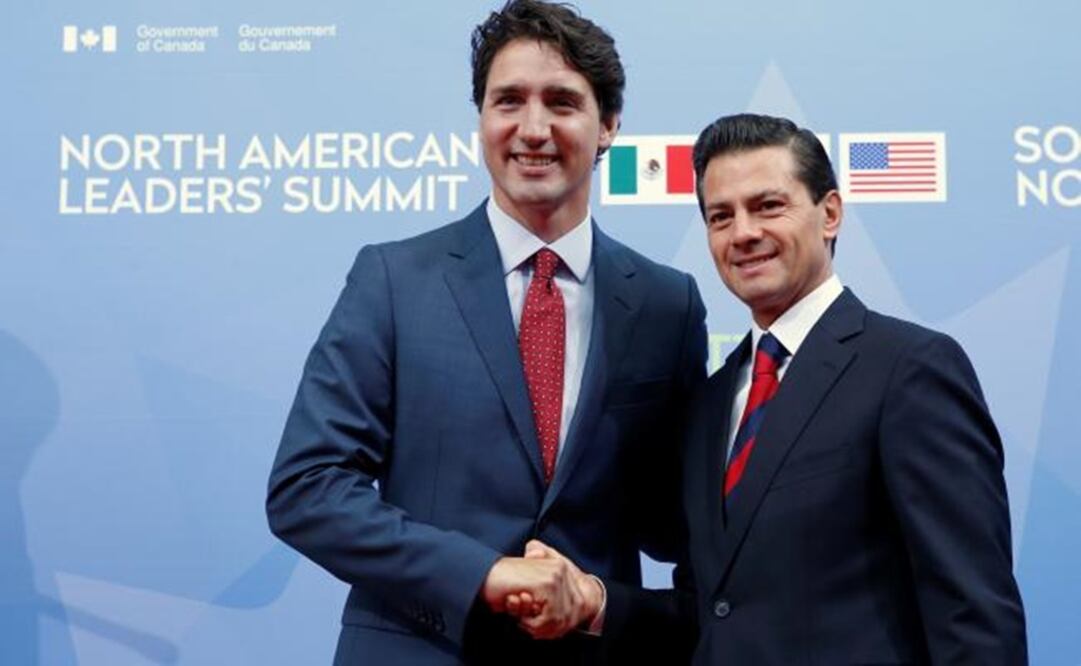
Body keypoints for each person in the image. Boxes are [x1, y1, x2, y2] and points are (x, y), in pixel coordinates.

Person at [265, 1, 706, 664]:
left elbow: (680, 522)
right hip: (421, 648)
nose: (533, 128)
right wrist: (485, 575)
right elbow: (308, 488)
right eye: (508, 101)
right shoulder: (393, 279)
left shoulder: (667, 305)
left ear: (609, 125)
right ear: (480, 120)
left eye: (561, 102)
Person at [676, 112, 1027, 664]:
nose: (743, 232)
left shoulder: (911, 369)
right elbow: (710, 604)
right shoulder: (709, 403)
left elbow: (973, 612)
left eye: (768, 206)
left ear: (830, 213)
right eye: (721, 216)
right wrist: (595, 603)